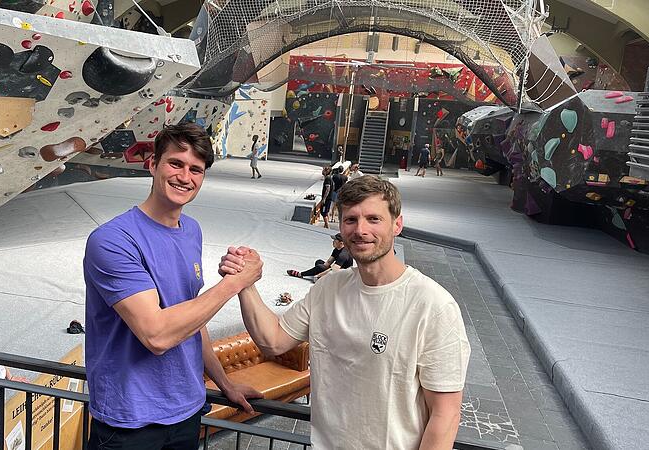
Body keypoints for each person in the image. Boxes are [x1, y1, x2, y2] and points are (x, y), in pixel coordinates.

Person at [220, 176, 470, 449]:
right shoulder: (329, 288)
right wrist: (243, 282)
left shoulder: (433, 306)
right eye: (351, 220)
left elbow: (445, 414)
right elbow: (274, 340)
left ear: (397, 224)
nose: (360, 230)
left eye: (374, 219)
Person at [83, 123, 263, 450]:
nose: (185, 176)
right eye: (175, 164)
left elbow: (193, 319)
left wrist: (225, 383)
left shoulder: (191, 230)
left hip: (186, 410)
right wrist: (235, 283)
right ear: (152, 165)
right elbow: (157, 335)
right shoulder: (112, 240)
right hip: (131, 420)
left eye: (196, 170)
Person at [286, 233, 353, 282]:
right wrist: (320, 272)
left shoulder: (343, 254)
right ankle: (321, 278)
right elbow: (328, 263)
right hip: (337, 271)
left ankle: (300, 274)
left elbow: (334, 269)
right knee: (319, 262)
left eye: (335, 240)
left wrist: (318, 275)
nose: (333, 241)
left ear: (341, 243)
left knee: (320, 267)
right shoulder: (336, 249)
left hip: (343, 276)